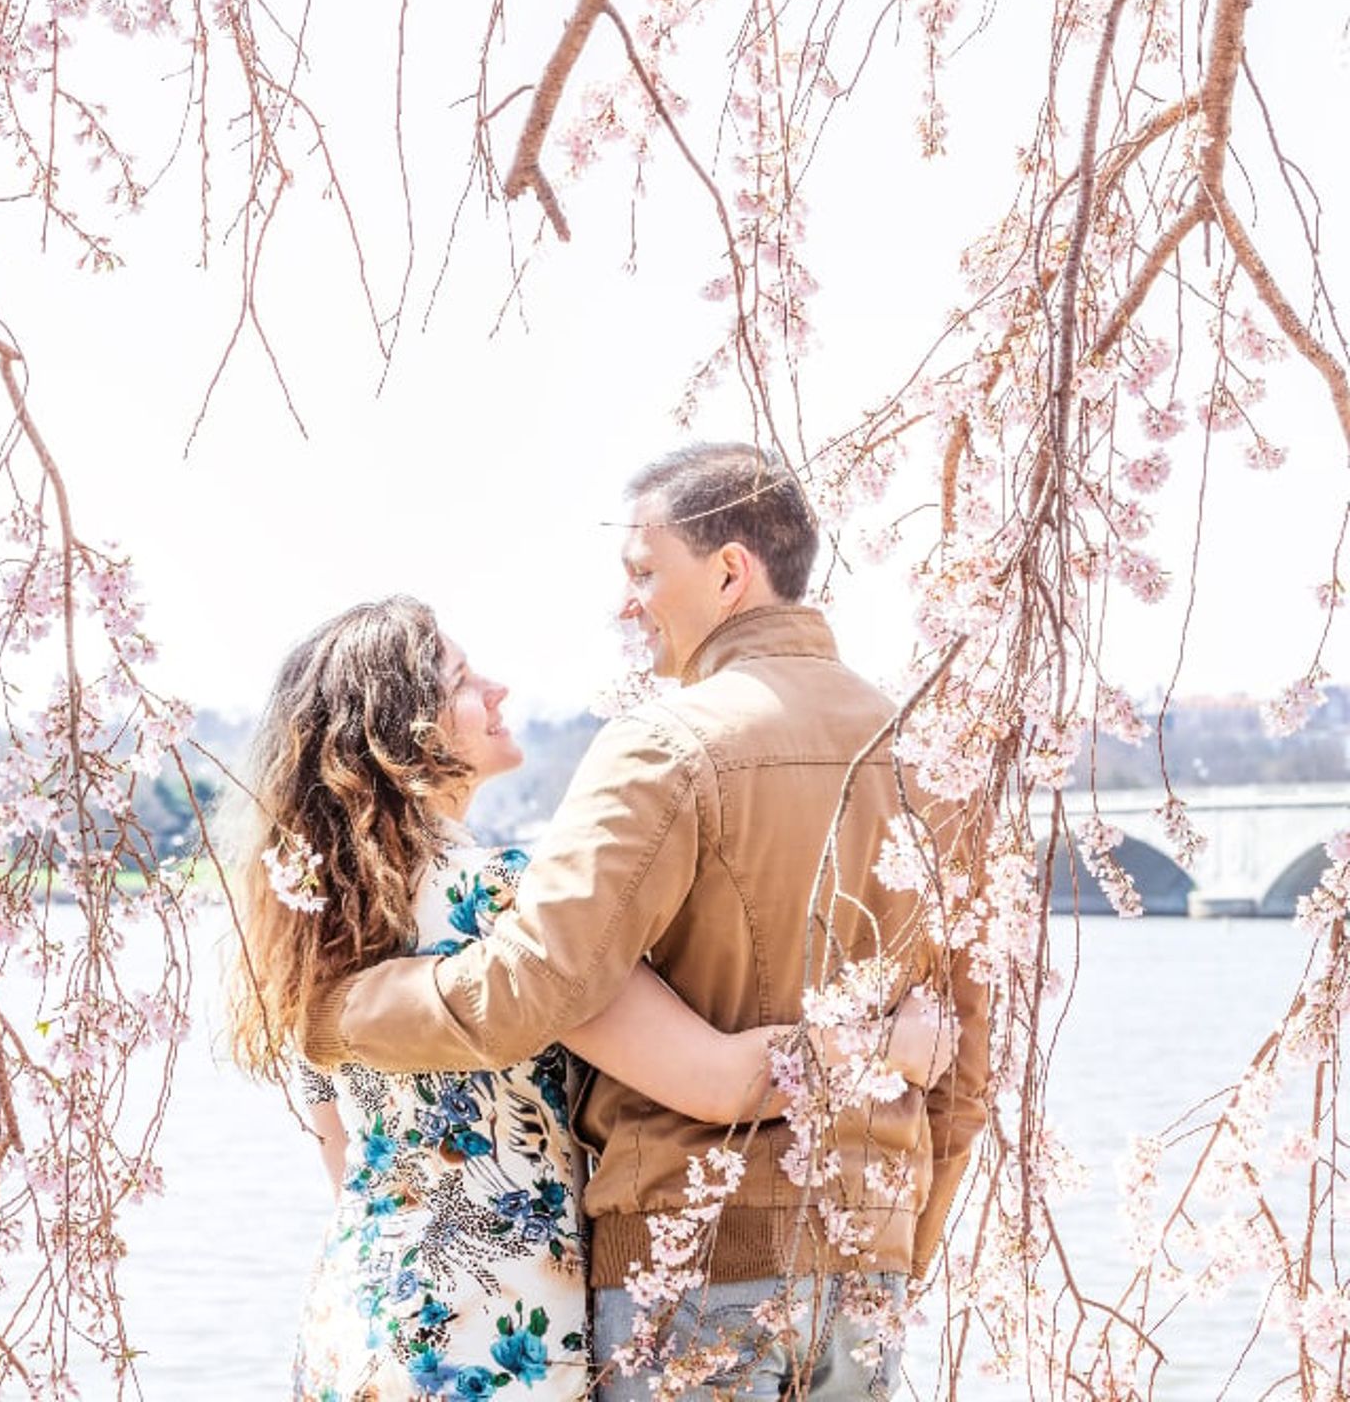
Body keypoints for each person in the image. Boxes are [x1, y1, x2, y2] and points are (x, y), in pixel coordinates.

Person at [302, 444, 990, 1401]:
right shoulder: (934, 755)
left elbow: (527, 990)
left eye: (642, 572)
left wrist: (333, 1011)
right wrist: (896, 1246)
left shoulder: (665, 748)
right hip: (866, 1269)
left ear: (728, 570)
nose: (626, 606)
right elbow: (966, 1061)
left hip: (691, 1271)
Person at [222, 596, 795, 1402]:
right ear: (403, 733)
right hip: (488, 1344)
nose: (499, 690)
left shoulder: (306, 926)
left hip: (356, 1326)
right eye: (463, 680)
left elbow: (338, 1154)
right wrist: (883, 1045)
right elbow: (721, 1081)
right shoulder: (512, 902)